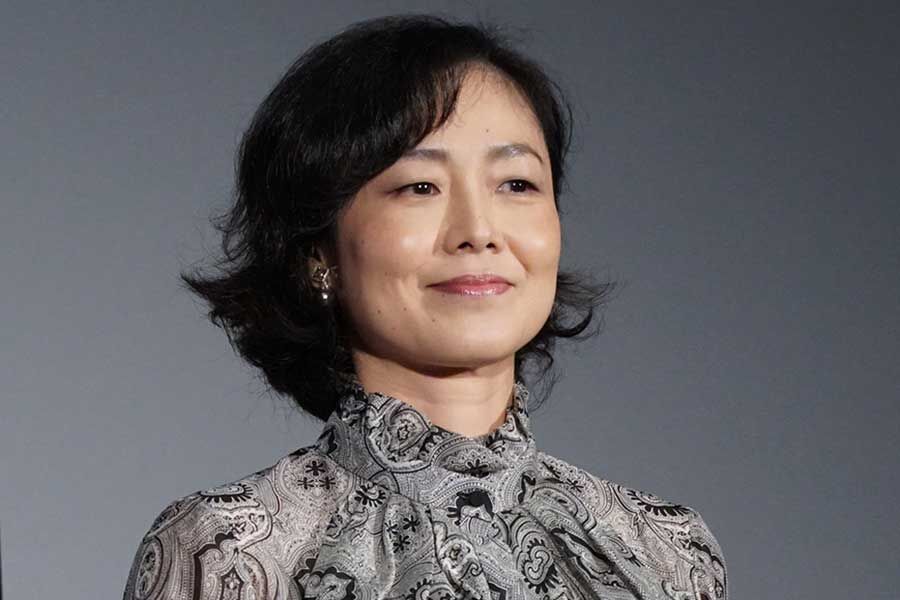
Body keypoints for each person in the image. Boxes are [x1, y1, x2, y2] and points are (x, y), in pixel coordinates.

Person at [122, 14, 727, 600]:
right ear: (316, 251)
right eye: (420, 187)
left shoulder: (665, 551)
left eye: (516, 184)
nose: (479, 231)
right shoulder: (229, 552)